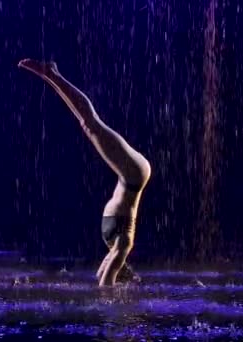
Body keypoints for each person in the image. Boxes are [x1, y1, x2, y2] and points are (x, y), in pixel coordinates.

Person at [18, 59, 151, 287]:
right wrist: (109, 309)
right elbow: (105, 283)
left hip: (127, 177)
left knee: (87, 124)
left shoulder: (114, 249)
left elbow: (102, 275)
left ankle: (50, 76)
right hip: (134, 175)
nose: (112, 266)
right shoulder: (124, 245)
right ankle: (52, 74)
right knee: (91, 124)